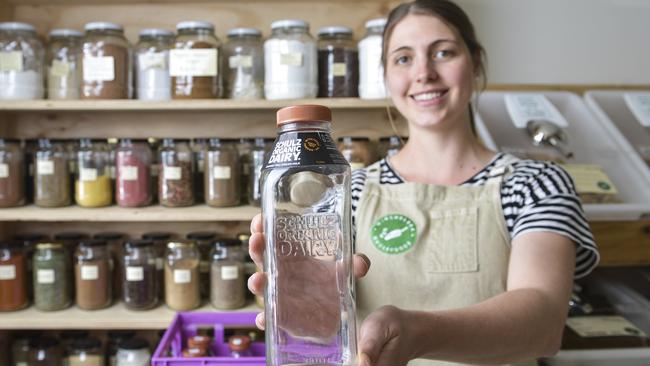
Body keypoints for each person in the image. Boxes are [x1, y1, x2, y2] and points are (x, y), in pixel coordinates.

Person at [248, 1, 600, 365]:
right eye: (403, 59)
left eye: (443, 52)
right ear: (385, 76)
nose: (424, 73)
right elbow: (329, 323)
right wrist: (304, 312)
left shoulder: (536, 184)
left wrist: (418, 333)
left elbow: (543, 328)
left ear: (476, 62)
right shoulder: (349, 192)